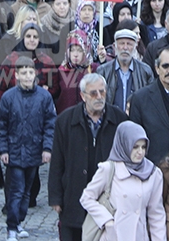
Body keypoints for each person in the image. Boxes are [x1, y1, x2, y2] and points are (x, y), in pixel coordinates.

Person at [48, 73, 129, 241]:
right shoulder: (65, 120)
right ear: (83, 96)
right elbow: (57, 161)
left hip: (107, 197)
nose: (99, 97)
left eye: (102, 92)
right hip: (73, 194)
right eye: (93, 93)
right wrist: (55, 196)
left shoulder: (120, 119)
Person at [0, 56, 56, 241]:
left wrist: (47, 148)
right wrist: (3, 150)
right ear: (16, 75)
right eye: (23, 73)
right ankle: (11, 227)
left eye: (30, 72)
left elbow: (50, 124)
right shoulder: (8, 98)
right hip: (14, 151)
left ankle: (18, 222)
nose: (27, 76)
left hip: (34, 150)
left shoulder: (44, 97)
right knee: (16, 190)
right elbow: (1, 126)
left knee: (27, 191)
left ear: (35, 74)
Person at [79, 121, 166, 241]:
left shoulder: (153, 173)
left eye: (143, 147)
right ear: (124, 144)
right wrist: (107, 220)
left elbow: (156, 214)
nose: (140, 152)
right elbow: (86, 198)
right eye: (135, 147)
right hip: (113, 236)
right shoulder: (109, 169)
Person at [96, 29, 155, 111]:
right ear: (115, 46)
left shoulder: (145, 71)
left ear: (135, 47)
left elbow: (151, 101)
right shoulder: (103, 71)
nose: (125, 48)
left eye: (129, 44)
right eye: (121, 43)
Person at [0, 23, 60, 100]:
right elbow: (0, 90)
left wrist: (45, 92)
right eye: (28, 36)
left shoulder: (47, 61)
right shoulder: (10, 60)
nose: (32, 40)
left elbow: (55, 88)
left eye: (35, 37)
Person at [56, 30, 98, 114]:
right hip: (65, 119)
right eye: (72, 50)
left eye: (79, 50)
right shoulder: (61, 71)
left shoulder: (93, 69)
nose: (75, 54)